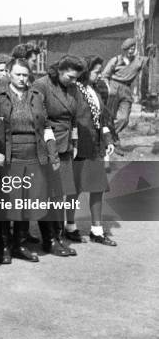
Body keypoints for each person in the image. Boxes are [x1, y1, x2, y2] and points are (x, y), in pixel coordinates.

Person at [0, 58, 60, 263]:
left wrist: (52, 152)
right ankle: (5, 246)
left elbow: (46, 126)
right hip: (8, 157)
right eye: (18, 74)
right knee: (6, 202)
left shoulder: (37, 96)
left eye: (25, 75)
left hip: (34, 156)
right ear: (9, 74)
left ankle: (19, 244)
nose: (22, 79)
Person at [33, 55, 86, 257]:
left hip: (65, 147)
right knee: (47, 194)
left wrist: (74, 143)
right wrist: (51, 146)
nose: (74, 81)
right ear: (60, 70)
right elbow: (39, 119)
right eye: (71, 77)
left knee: (59, 194)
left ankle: (58, 236)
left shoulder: (72, 87)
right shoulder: (41, 85)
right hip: (47, 145)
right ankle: (49, 240)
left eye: (76, 78)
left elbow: (74, 118)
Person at [66, 56, 117, 246]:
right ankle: (69, 226)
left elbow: (101, 120)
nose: (100, 74)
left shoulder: (94, 91)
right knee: (75, 187)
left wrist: (108, 139)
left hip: (95, 146)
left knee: (98, 186)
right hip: (79, 145)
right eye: (96, 71)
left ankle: (97, 230)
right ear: (86, 72)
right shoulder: (74, 91)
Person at [102, 38, 156, 151]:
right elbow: (105, 75)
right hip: (113, 87)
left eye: (133, 48)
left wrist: (151, 51)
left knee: (124, 118)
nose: (131, 50)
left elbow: (151, 62)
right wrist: (108, 88)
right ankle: (112, 141)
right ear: (124, 49)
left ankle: (108, 137)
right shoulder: (116, 60)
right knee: (109, 117)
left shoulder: (138, 60)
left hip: (126, 89)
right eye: (129, 48)